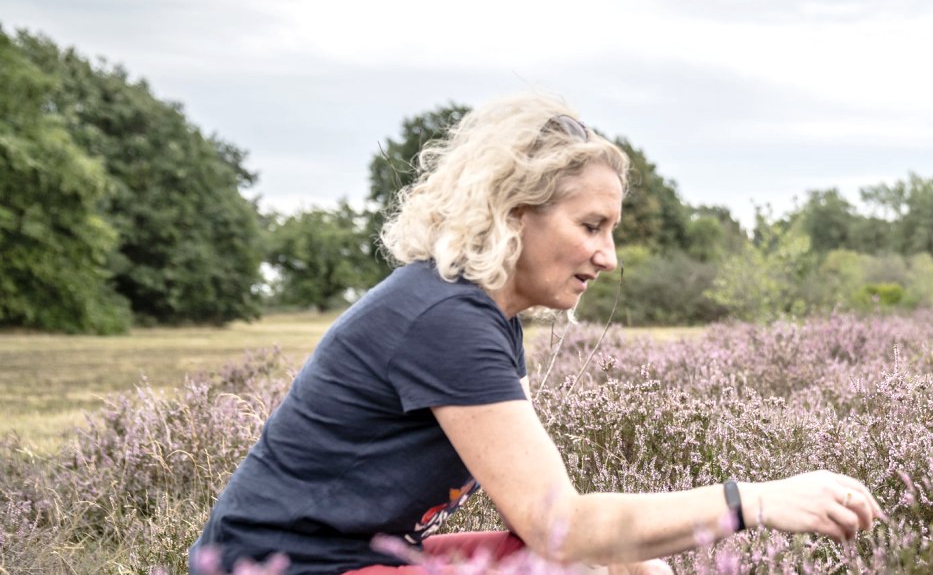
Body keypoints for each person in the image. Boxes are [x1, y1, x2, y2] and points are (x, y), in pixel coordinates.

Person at [191, 94, 884, 575]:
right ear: (515, 214)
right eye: (590, 227)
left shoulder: (484, 316)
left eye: (611, 230)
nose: (608, 256)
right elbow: (560, 524)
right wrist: (753, 501)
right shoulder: (445, 320)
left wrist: (627, 557)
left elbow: (555, 517)